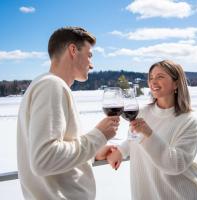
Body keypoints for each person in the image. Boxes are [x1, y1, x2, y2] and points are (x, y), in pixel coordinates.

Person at [17, 26, 120, 200]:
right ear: (73, 50)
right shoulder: (51, 86)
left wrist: (93, 153)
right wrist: (98, 136)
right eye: (89, 55)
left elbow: (55, 153)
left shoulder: (45, 84)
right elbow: (44, 159)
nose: (92, 64)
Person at [107, 60, 197, 200]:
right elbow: (133, 138)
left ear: (176, 83)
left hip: (182, 194)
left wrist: (149, 134)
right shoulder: (142, 113)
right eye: (151, 78)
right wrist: (121, 151)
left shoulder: (188, 122)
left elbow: (175, 164)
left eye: (160, 77)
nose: (153, 82)